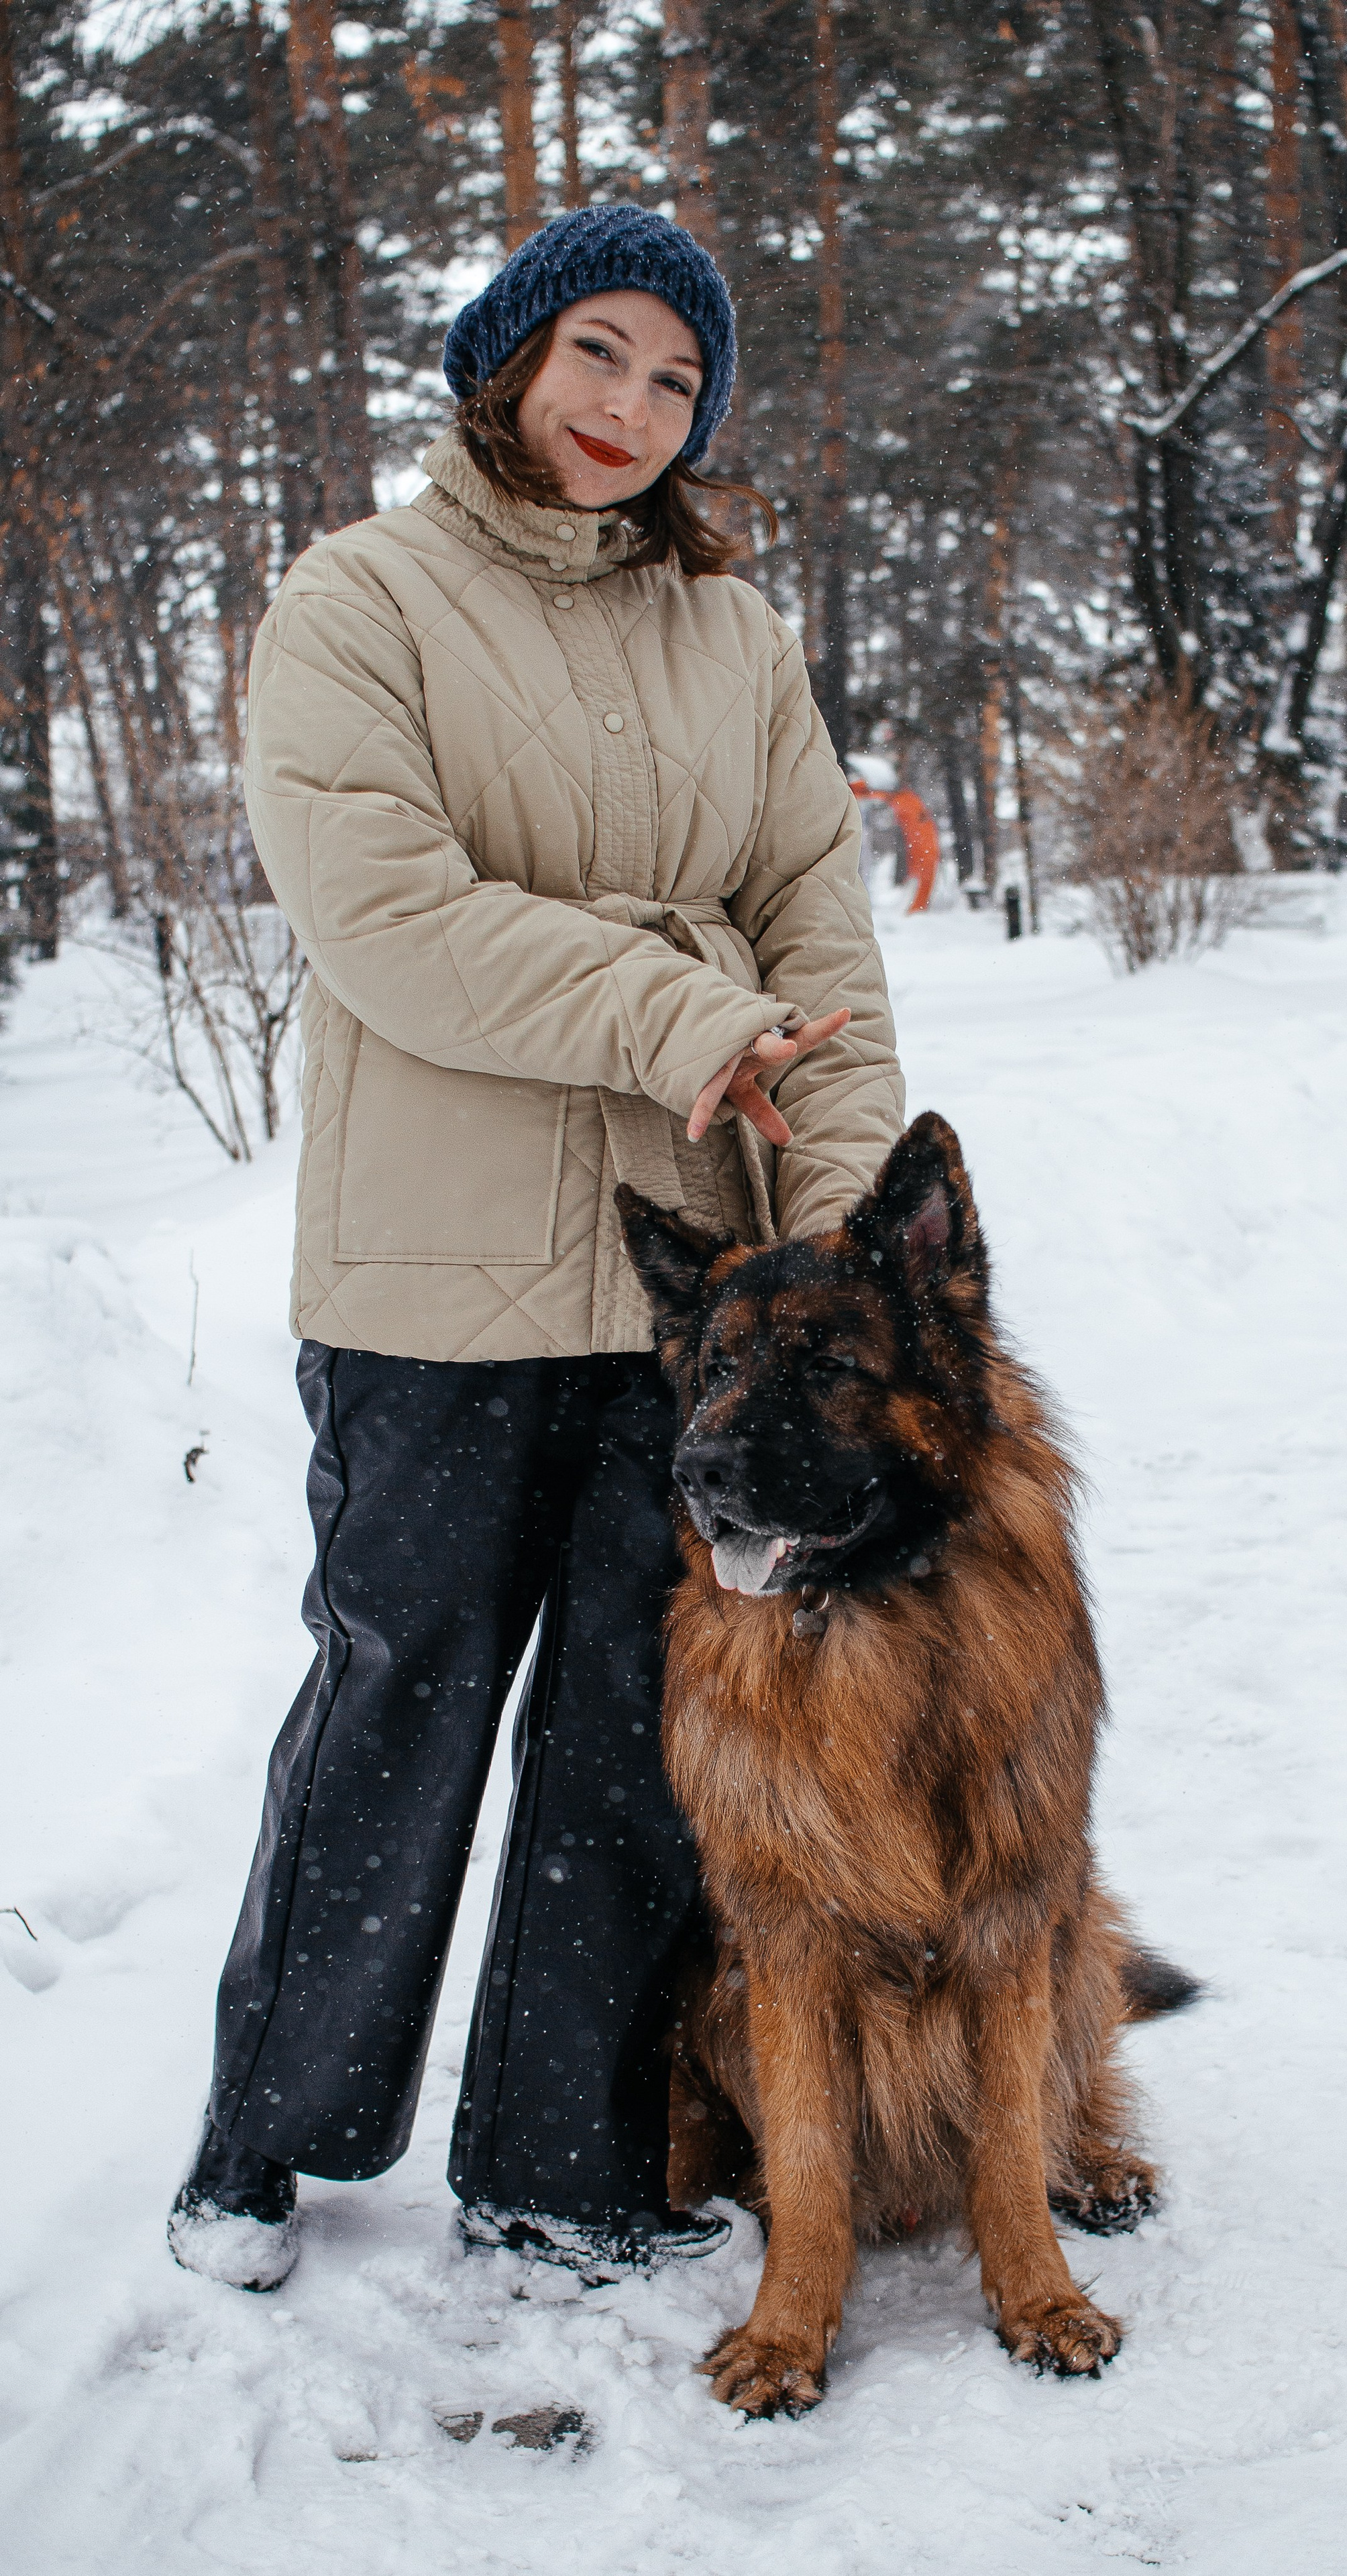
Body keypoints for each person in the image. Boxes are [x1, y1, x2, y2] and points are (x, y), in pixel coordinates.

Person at [167, 205, 904, 2294]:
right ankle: (265, 2141)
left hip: (694, 1292)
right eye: (600, 355)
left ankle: (562, 2158)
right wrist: (680, 1012)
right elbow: (383, 915)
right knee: (400, 1697)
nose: (631, 412)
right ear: (507, 357)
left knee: (635, 1736)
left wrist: (835, 1233)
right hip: (437, 1276)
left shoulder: (736, 641)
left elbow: (815, 945)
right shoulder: (360, 595)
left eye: (678, 384)